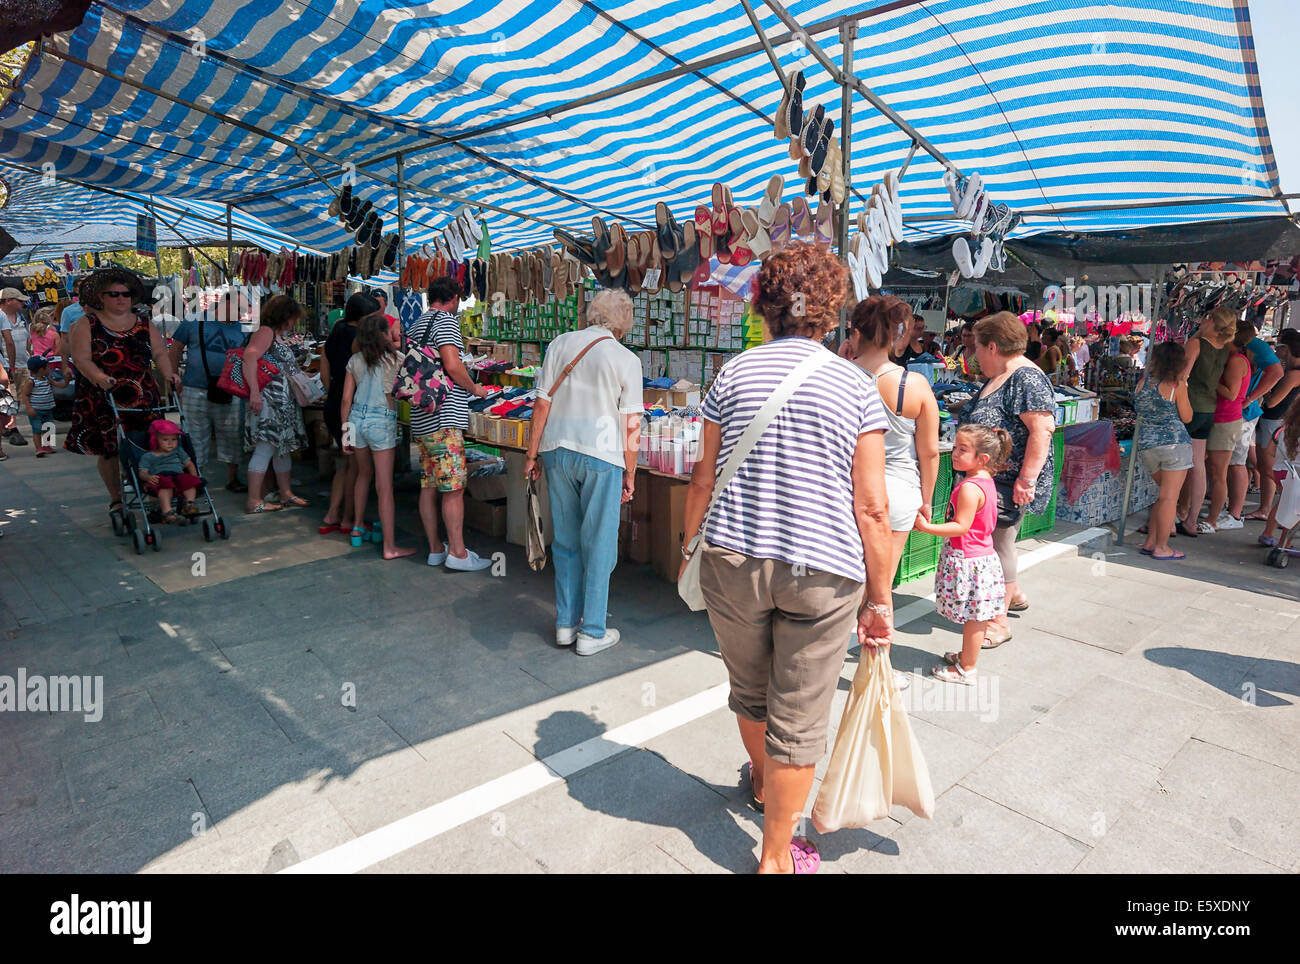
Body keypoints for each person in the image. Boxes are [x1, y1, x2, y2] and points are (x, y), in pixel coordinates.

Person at [679, 243, 894, 875]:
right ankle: (776, 855)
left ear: (762, 306)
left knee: (750, 691)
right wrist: (880, 600)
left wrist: (692, 544)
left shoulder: (733, 375)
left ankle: (763, 782)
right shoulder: (856, 386)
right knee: (799, 716)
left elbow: (701, 478)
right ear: (830, 315)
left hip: (734, 559)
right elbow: (873, 508)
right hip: (822, 572)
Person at [523, 289, 643, 656]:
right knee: (600, 543)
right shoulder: (625, 359)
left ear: (593, 313)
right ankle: (591, 631)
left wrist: (531, 456)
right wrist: (631, 472)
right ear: (622, 324)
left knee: (566, 541)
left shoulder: (560, 344)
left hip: (557, 450)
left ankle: (565, 624)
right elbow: (632, 424)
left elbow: (541, 406)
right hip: (602, 455)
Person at [959, 311, 1056, 646]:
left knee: (997, 545)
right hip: (996, 478)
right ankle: (1011, 593)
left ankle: (998, 622)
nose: (974, 355)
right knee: (1001, 542)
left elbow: (1042, 430)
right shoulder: (1003, 374)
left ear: (993, 347)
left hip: (1009, 480)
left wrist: (1026, 480)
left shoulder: (1025, 377)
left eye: (977, 347)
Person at [841, 293, 941, 580]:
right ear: (896, 334)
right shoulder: (915, 385)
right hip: (898, 491)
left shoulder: (838, 376)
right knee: (880, 581)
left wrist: (840, 359)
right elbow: (930, 452)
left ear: (856, 332)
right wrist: (926, 499)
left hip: (846, 487)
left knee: (843, 581)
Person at [65, 269, 179, 515]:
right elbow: (81, 358)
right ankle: (116, 498)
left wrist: (169, 374)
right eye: (114, 294)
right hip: (102, 394)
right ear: (101, 297)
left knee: (150, 443)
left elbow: (160, 354)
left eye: (125, 294)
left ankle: (155, 492)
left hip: (142, 394)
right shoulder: (86, 324)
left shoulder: (143, 323)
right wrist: (99, 377)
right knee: (110, 449)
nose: (121, 299)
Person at [408, 276, 494, 571]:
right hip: (444, 418)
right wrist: (476, 389)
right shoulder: (445, 321)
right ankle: (457, 553)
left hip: (422, 417)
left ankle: (435, 549)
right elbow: (453, 365)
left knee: (429, 486)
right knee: (453, 489)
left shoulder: (419, 323)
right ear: (454, 297)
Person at [915, 424, 1010, 684]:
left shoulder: (969, 488)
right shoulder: (984, 481)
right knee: (976, 617)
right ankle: (967, 657)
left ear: (983, 458)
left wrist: (926, 527)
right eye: (956, 447)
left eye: (962, 449)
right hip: (980, 557)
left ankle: (966, 668)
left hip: (969, 559)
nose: (955, 453)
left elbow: (961, 525)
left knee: (974, 619)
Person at [341, 312, 415, 560]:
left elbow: (345, 400)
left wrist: (346, 433)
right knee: (384, 487)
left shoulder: (354, 360)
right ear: (384, 335)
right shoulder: (397, 360)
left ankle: (358, 526)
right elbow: (405, 392)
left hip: (356, 420)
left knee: (363, 475)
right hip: (381, 421)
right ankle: (390, 547)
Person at [167, 290, 249, 493]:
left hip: (230, 391)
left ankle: (232, 478)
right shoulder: (195, 320)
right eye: (238, 308)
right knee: (195, 436)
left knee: (232, 435)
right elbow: (176, 348)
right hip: (195, 388)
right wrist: (172, 376)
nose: (241, 313)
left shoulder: (245, 329)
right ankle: (195, 480)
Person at [242, 294, 310, 514]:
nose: (294, 323)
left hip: (281, 403)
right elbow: (249, 357)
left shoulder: (275, 335)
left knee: (282, 449)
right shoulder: (266, 332)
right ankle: (254, 500)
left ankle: (286, 492)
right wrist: (254, 392)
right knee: (265, 448)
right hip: (269, 401)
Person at [319, 292, 380, 534]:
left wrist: (330, 390)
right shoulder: (359, 340)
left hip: (333, 403)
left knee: (346, 464)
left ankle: (333, 513)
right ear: (363, 317)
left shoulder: (336, 333)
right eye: (373, 317)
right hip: (350, 408)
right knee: (356, 467)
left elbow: (324, 371)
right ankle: (347, 518)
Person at [1176, 307, 1236, 536]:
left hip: (1190, 407)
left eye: (1207, 317)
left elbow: (1183, 376)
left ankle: (1170, 518)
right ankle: (1191, 520)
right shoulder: (1224, 348)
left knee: (1176, 464)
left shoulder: (1197, 343)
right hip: (1209, 409)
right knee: (1197, 465)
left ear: (1212, 321)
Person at [1133, 342, 1193, 559]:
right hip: (1174, 445)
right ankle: (1162, 547)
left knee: (1162, 497)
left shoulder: (1142, 383)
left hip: (1148, 446)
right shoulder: (1177, 386)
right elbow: (1187, 417)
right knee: (1169, 498)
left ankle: (1151, 541)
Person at [1201, 323, 1251, 533]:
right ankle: (1213, 513)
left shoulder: (1236, 361)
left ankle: (1213, 520)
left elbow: (1231, 394)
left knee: (1218, 473)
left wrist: (1211, 381)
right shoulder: (1233, 359)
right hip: (1221, 418)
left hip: (1226, 420)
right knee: (1214, 472)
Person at [1236, 323, 1285, 523]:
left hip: (1249, 413)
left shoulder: (1256, 346)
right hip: (1252, 413)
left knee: (1243, 462)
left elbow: (1276, 374)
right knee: (1248, 462)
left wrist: (1250, 398)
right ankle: (1237, 509)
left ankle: (1236, 511)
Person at [1256, 329, 1300, 544]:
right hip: (1280, 425)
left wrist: (1261, 387)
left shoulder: (1294, 373)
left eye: (1281, 345)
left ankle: (1267, 516)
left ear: (1288, 348)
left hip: (1277, 423)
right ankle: (1271, 530)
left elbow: (1273, 401)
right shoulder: (1291, 371)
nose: (1277, 349)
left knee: (1270, 473)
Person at [138, 418, 204, 524]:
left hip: (178, 475)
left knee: (188, 481)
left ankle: (190, 504)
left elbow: (189, 464)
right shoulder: (148, 456)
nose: (170, 443)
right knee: (165, 485)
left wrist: (194, 477)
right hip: (161, 477)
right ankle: (167, 512)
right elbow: (142, 472)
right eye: (165, 440)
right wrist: (148, 477)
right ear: (156, 440)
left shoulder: (178, 451)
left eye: (174, 439)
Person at [0, 287, 32, 446]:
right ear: (8, 301)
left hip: (23, 364)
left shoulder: (22, 317)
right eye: (19, 300)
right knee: (8, 400)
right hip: (6, 366)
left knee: (22, 399)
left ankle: (10, 427)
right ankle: (11, 428)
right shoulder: (1, 317)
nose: (22, 303)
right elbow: (8, 342)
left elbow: (28, 340)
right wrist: (9, 366)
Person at [19, 356, 68, 456]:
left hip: (48, 408)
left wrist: (66, 381)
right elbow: (25, 394)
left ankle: (47, 446)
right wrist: (29, 407)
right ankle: (39, 448)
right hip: (36, 410)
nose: (50, 369)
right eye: (48, 367)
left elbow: (58, 385)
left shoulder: (47, 379)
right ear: (41, 369)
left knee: (49, 427)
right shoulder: (31, 382)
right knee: (37, 429)